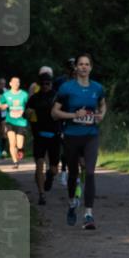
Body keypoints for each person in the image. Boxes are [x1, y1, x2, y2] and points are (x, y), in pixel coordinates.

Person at [52, 53, 106, 230]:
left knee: (90, 173)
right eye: (80, 64)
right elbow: (55, 112)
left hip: (91, 134)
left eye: (86, 64)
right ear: (76, 67)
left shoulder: (97, 88)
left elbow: (102, 105)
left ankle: (88, 214)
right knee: (73, 174)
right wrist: (74, 115)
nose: (83, 67)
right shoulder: (67, 88)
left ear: (91, 67)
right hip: (72, 135)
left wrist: (100, 116)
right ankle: (72, 202)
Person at [25, 71, 59, 205]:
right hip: (39, 136)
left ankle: (50, 176)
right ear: (39, 84)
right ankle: (41, 194)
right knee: (39, 164)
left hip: (54, 136)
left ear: (51, 84)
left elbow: (64, 112)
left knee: (54, 169)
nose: (45, 86)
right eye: (43, 84)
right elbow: (26, 113)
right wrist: (27, 113)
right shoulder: (34, 98)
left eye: (48, 83)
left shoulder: (57, 97)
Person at [53, 58, 76, 186]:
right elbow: (54, 97)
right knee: (63, 145)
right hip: (62, 116)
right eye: (70, 67)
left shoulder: (81, 81)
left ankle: (73, 173)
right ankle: (62, 170)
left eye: (74, 67)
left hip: (76, 116)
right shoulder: (59, 81)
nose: (73, 70)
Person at [0, 76, 29, 168]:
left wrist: (27, 111)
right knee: (12, 143)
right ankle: (15, 162)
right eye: (14, 82)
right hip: (10, 121)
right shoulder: (6, 94)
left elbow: (29, 105)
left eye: (18, 82)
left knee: (19, 144)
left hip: (21, 122)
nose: (16, 84)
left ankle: (21, 150)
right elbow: (0, 104)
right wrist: (2, 106)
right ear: (10, 84)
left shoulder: (24, 94)